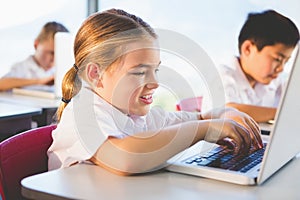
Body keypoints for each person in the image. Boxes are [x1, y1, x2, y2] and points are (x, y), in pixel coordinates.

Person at [47, 8, 263, 175]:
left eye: (155, 70)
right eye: (140, 72)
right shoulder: (82, 113)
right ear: (95, 74)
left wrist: (224, 115)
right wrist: (204, 129)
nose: (154, 83)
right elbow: (124, 158)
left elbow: (200, 116)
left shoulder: (136, 115)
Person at [219, 10, 299, 123]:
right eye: (277, 59)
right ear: (248, 49)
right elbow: (226, 112)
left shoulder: (276, 83)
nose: (281, 68)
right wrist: (281, 113)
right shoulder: (222, 76)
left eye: (286, 62)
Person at [0, 21, 69, 91]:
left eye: (59, 54)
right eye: (51, 53)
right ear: (36, 45)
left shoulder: (58, 71)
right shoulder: (22, 68)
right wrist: (40, 81)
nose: (54, 59)